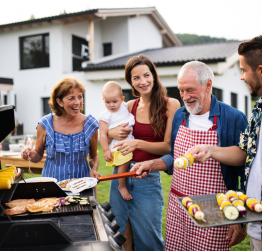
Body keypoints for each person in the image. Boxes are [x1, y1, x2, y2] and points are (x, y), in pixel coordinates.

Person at [131, 61, 248, 250]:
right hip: (179, 207)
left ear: (208, 85)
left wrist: (239, 218)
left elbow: (245, 164)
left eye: (190, 90)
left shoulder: (233, 118)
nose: (185, 97)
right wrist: (152, 164)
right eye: (181, 90)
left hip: (214, 210)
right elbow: (175, 156)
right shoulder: (179, 115)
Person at [187, 34, 262, 251]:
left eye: (243, 70)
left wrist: (253, 210)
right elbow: (245, 152)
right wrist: (210, 150)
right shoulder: (260, 106)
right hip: (257, 228)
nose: (241, 77)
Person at [107, 55, 180, 251]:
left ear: (154, 76)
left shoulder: (171, 104)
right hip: (120, 175)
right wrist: (110, 132)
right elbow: (110, 131)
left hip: (147, 177)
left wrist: (138, 143)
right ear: (130, 82)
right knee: (120, 234)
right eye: (136, 78)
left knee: (149, 240)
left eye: (146, 75)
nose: (142, 81)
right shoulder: (129, 106)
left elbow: (168, 147)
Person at [21, 77, 100, 181]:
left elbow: (93, 156)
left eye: (80, 97)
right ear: (59, 102)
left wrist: (94, 169)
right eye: (71, 98)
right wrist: (30, 155)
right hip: (51, 187)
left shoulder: (90, 124)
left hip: (81, 186)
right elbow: (38, 155)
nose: (77, 102)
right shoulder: (45, 124)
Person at [99, 81, 135, 200]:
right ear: (103, 100)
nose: (111, 105)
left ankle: (123, 185)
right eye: (107, 102)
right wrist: (105, 150)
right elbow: (103, 134)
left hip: (130, 141)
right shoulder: (105, 115)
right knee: (123, 164)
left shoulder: (125, 106)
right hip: (118, 145)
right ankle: (121, 186)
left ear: (122, 99)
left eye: (115, 101)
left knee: (127, 163)